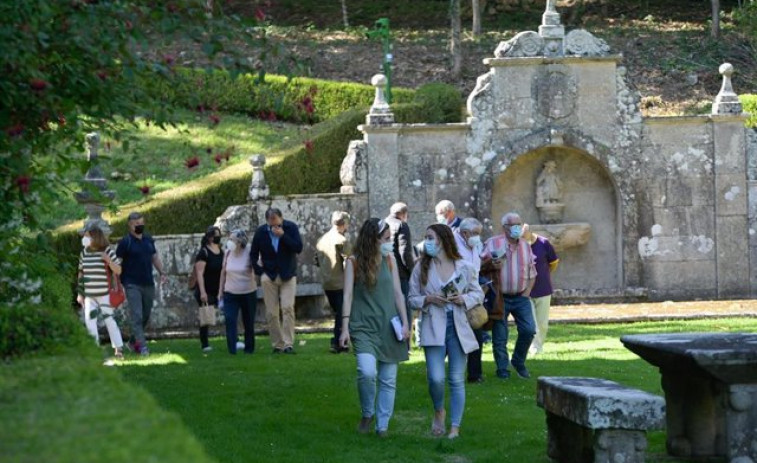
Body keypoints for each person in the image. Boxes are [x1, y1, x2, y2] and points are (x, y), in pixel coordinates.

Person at [409, 224, 484, 439]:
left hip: (458, 326)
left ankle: (455, 427)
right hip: (433, 325)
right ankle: (439, 410)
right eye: (425, 238)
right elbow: (411, 298)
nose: (427, 242)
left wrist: (464, 299)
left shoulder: (464, 266)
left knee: (456, 379)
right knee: (435, 378)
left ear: (443, 239)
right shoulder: (421, 267)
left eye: (430, 237)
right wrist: (429, 299)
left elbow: (477, 293)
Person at [338, 218, 410, 437]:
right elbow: (348, 294)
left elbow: (398, 292)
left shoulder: (390, 259)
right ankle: (368, 413)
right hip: (362, 325)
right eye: (386, 239)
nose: (390, 243)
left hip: (389, 325)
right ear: (373, 239)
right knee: (366, 372)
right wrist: (344, 328)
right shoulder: (353, 262)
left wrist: (406, 322)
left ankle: (383, 426)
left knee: (388, 379)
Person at [480, 212, 537, 380]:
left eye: (519, 224)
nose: (517, 228)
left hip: (521, 296)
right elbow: (478, 268)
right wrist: (490, 264)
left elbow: (532, 272)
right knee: (500, 337)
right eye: (513, 225)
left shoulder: (526, 246)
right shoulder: (492, 244)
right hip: (499, 297)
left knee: (529, 330)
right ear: (505, 228)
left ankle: (518, 362)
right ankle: (502, 369)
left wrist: (527, 293)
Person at [251, 208, 303, 354]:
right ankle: (277, 344)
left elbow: (298, 247)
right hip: (269, 275)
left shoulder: (290, 228)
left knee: (287, 308)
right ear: (267, 221)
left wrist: (283, 236)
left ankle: (288, 343)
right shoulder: (261, 232)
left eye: (276, 221)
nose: (274, 225)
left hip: (288, 274)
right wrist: (260, 272)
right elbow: (253, 254)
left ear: (281, 218)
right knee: (271, 312)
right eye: (271, 222)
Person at [116, 211, 167, 356]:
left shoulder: (148, 239)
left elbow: (154, 257)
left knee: (146, 314)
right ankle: (142, 347)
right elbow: (117, 263)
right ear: (130, 225)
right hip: (131, 283)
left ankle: (132, 341)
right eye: (136, 224)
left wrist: (162, 272)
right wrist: (116, 281)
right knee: (137, 315)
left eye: (141, 223)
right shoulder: (125, 242)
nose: (140, 226)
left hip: (148, 282)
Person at [77, 225, 125, 359]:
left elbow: (118, 270)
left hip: (104, 294)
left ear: (95, 237)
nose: (84, 238)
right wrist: (80, 293)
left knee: (110, 320)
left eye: (87, 236)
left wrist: (108, 260)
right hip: (89, 295)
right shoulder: (84, 253)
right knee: (89, 322)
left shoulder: (107, 251)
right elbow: (81, 273)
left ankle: (118, 348)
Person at [454, 218, 488, 384]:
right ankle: (435, 369)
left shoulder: (475, 245)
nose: (478, 237)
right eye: (475, 234)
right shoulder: (452, 244)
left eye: (479, 234)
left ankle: (475, 374)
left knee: (476, 334)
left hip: (472, 294)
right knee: (451, 336)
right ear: (464, 233)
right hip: (454, 295)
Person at [316, 211, 352, 353]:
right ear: (344, 224)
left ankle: (338, 341)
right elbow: (348, 261)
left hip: (327, 283)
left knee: (338, 313)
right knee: (342, 313)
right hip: (340, 282)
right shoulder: (341, 241)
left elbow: (317, 260)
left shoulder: (322, 240)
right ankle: (339, 342)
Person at [522, 224, 559, 355]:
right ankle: (531, 347)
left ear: (530, 232)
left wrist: (544, 274)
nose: (522, 237)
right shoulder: (519, 245)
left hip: (543, 289)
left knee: (542, 323)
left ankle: (538, 347)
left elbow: (553, 262)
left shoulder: (544, 243)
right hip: (525, 290)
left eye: (524, 234)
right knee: (531, 322)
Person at [218, 229, 257, 355]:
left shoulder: (249, 251)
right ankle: (232, 349)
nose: (230, 242)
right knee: (230, 319)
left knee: (248, 322)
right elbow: (223, 272)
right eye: (229, 239)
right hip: (230, 292)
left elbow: (256, 268)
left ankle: (249, 349)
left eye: (232, 239)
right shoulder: (228, 252)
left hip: (248, 292)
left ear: (240, 242)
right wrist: (220, 291)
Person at [384, 202, 415, 346]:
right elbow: (405, 253)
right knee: (404, 308)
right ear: (404, 214)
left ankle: (391, 339)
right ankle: (405, 342)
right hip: (401, 273)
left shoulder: (384, 223)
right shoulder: (401, 225)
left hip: (385, 271)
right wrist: (412, 271)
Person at [193, 226, 224, 352]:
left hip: (219, 289)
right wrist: (203, 291)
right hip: (207, 289)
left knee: (229, 313)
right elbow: (199, 272)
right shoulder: (204, 252)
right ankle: (204, 343)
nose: (218, 237)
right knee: (206, 317)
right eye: (216, 235)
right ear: (210, 237)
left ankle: (235, 339)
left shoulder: (221, 251)